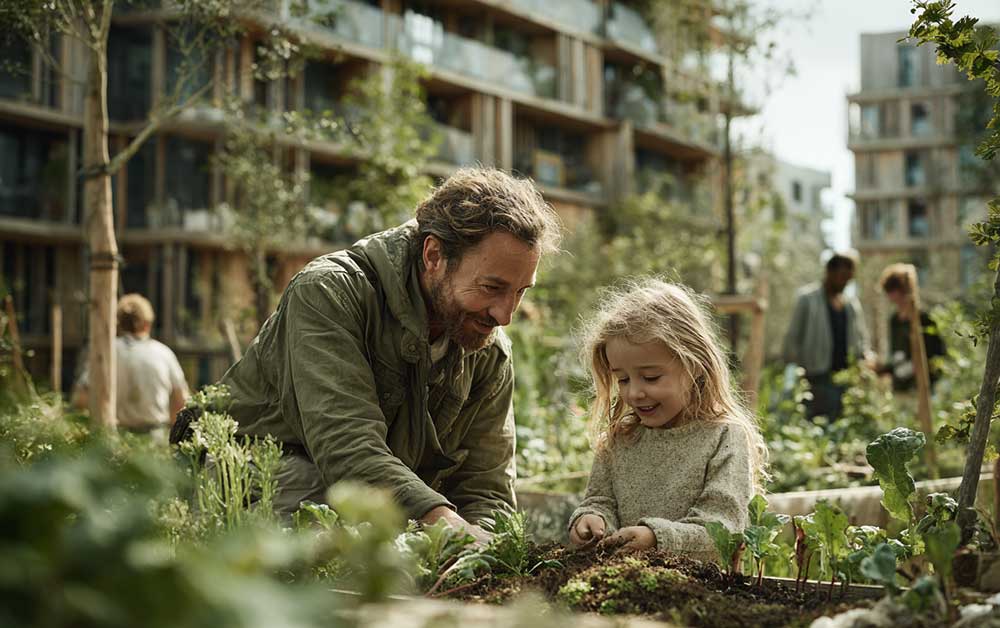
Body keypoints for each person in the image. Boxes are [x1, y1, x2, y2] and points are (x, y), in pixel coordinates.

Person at [215, 167, 561, 540]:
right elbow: (347, 449)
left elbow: (486, 487)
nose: (505, 315)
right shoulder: (330, 295)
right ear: (434, 255)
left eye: (521, 291)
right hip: (250, 480)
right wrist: (446, 526)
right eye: (492, 287)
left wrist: (482, 548)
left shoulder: (488, 347)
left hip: (364, 495)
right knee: (322, 507)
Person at [566, 279, 768, 561]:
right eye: (622, 379)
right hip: (622, 587)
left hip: (702, 595)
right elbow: (601, 501)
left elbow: (724, 529)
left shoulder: (723, 437)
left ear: (694, 366)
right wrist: (591, 519)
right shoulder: (621, 438)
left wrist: (655, 539)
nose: (634, 392)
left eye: (651, 377)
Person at [73, 293, 189, 441]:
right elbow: (181, 402)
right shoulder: (164, 354)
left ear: (119, 323)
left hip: (115, 440)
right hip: (155, 439)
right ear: (147, 324)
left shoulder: (104, 353)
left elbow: (81, 399)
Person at [782, 252, 872, 420]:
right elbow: (793, 337)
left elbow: (861, 337)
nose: (845, 282)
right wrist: (796, 370)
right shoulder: (807, 299)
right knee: (817, 426)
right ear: (830, 272)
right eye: (842, 276)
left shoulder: (851, 304)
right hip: (816, 378)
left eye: (849, 278)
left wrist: (864, 361)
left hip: (846, 379)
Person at [875, 264, 945, 392]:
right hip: (900, 387)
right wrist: (883, 369)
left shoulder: (924, 319)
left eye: (893, 290)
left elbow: (937, 354)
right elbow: (896, 355)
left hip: (922, 387)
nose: (891, 296)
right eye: (889, 291)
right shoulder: (894, 321)